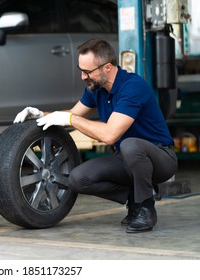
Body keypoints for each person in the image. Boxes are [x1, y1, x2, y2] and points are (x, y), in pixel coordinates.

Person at [14, 39, 177, 233]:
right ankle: (134, 198)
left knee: (130, 145)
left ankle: (145, 208)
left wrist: (71, 119)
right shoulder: (96, 89)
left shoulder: (132, 87)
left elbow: (109, 135)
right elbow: (72, 115)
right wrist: (41, 115)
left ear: (107, 67)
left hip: (160, 159)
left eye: (88, 71)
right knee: (77, 178)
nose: (83, 76)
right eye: (80, 70)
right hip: (126, 159)